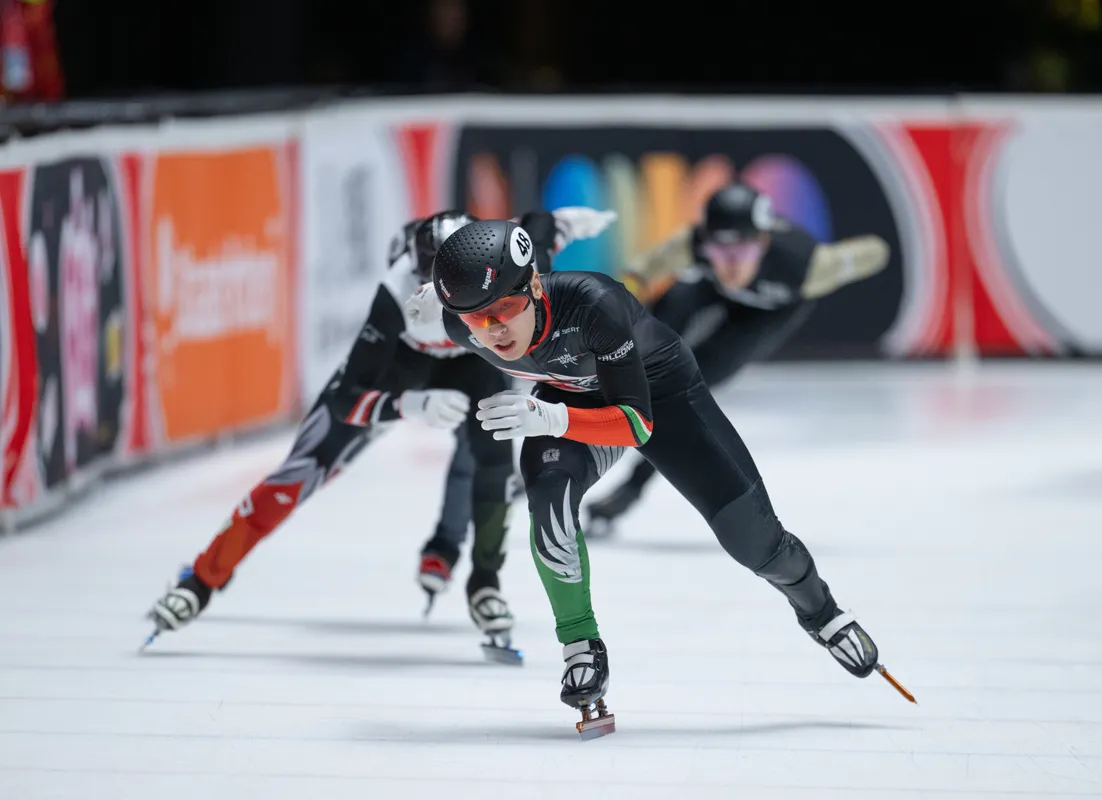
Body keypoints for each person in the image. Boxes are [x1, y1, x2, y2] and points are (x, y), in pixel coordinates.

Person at [404, 217, 906, 738]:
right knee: (548, 498)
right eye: (478, 319)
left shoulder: (593, 303)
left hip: (659, 397)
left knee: (755, 543)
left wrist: (550, 417)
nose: (495, 331)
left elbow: (637, 425)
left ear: (532, 285)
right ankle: (580, 644)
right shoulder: (457, 323)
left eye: (505, 310)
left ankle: (822, 613)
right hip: (568, 402)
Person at [144, 207, 615, 662]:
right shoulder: (395, 292)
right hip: (402, 365)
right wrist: (406, 404)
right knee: (299, 472)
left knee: (493, 458)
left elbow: (537, 230)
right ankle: (202, 578)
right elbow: (346, 399)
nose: (448, 295)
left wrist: (565, 223)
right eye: (436, 283)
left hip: (474, 364)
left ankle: (485, 580)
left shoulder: (504, 261)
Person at [586, 181, 891, 536]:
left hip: (765, 314)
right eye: (719, 250)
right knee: (650, 333)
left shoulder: (807, 266)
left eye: (741, 252)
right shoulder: (691, 244)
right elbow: (637, 274)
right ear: (705, 241)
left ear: (764, 242)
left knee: (686, 391)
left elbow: (876, 251)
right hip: (707, 288)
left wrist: (858, 257)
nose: (730, 265)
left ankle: (630, 489)